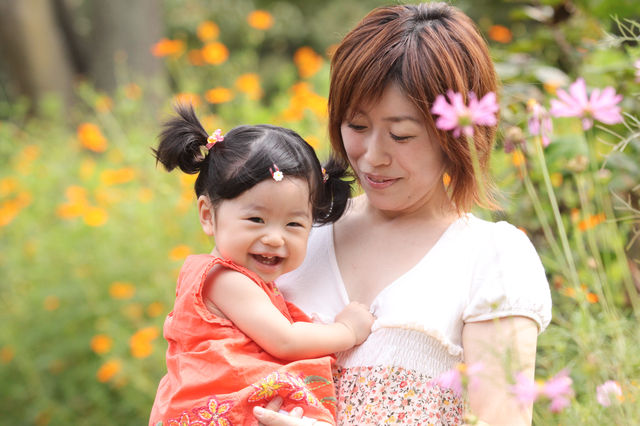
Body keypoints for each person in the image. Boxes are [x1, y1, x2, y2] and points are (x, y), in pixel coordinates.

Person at [253, 2, 552, 426]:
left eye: (401, 134)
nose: (372, 156)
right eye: (357, 127)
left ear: (458, 132)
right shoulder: (295, 232)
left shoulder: (491, 258)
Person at [149, 105, 375, 426]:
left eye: (294, 224)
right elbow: (286, 341)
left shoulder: (246, 281)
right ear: (208, 215)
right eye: (256, 219)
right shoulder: (225, 279)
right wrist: (347, 331)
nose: (273, 238)